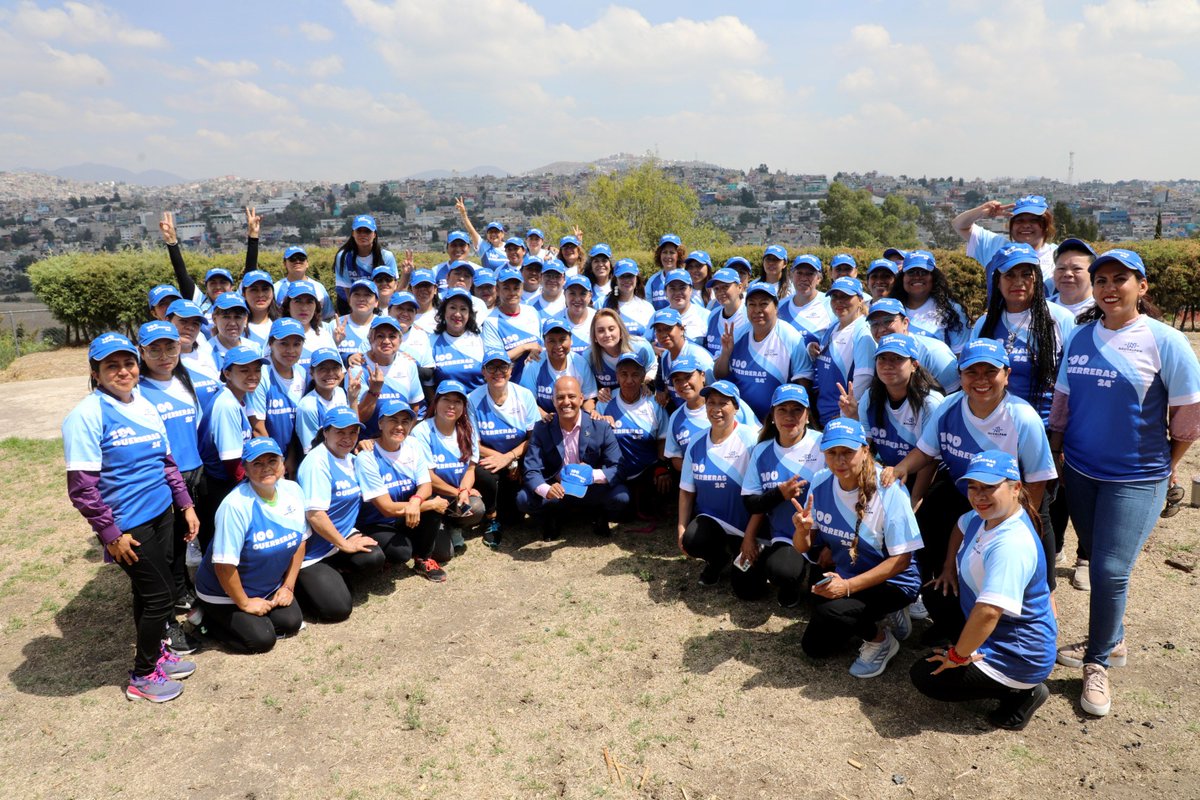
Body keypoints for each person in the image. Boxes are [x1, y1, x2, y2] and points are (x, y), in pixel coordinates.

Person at [1049, 248, 1200, 718]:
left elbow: (1188, 421)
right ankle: (1111, 642)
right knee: (1098, 561)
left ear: (1142, 286)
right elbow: (1062, 406)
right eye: (1102, 280)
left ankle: (1096, 663)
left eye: (1121, 279)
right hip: (1079, 472)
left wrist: (1164, 466)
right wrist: (1055, 458)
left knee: (1111, 570)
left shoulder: (1166, 340)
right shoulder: (1078, 338)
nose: (1110, 288)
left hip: (1136, 479)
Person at [883, 339, 1058, 644]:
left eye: (989, 372)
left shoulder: (1022, 416)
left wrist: (1018, 521)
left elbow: (1038, 479)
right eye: (971, 372)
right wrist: (900, 469)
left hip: (1015, 504)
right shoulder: (950, 405)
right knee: (929, 535)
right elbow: (926, 451)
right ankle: (946, 615)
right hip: (962, 492)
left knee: (1020, 569)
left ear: (1006, 373)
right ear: (960, 375)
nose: (980, 380)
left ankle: (1034, 632)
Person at [63, 332, 200, 702]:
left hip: (162, 513)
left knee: (148, 591)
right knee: (161, 595)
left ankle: (156, 654)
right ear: (96, 372)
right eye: (111, 365)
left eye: (128, 363)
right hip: (128, 525)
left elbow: (166, 462)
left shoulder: (143, 403)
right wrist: (110, 534)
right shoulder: (87, 415)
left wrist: (185, 505)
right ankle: (142, 675)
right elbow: (82, 489)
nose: (123, 371)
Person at [910, 450, 1056, 731]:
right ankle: (965, 643)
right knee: (936, 593)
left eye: (990, 487)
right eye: (973, 487)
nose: (979, 495)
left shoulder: (1011, 544)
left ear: (1016, 488)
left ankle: (1022, 694)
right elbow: (960, 526)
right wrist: (949, 568)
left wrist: (958, 656)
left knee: (924, 676)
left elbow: (989, 612)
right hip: (993, 628)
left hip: (1016, 654)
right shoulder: (984, 516)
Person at [791, 418, 923, 678]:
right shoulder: (819, 482)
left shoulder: (889, 491)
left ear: (865, 450)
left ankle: (881, 640)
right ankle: (873, 614)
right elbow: (803, 548)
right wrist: (802, 531)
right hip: (849, 572)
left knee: (831, 609)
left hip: (896, 581)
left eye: (847, 452)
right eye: (832, 453)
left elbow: (902, 560)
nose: (840, 460)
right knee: (814, 647)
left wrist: (848, 587)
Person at [194, 437, 306, 653]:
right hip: (223, 594)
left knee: (291, 622)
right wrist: (245, 603)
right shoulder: (234, 507)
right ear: (245, 469)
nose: (266, 468)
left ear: (282, 464)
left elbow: (300, 542)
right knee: (261, 641)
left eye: (272, 461)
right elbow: (223, 566)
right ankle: (205, 621)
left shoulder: (293, 491)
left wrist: (287, 586)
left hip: (266, 587)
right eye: (257, 463)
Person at [137, 320, 204, 621]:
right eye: (155, 349)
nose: (164, 355)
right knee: (170, 544)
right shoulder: (137, 388)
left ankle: (186, 588)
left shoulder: (183, 378)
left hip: (195, 471)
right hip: (166, 476)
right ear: (142, 351)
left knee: (188, 536)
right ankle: (174, 594)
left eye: (171, 347)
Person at [296, 406, 385, 622]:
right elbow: (315, 515)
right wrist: (345, 545)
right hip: (312, 551)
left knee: (375, 556)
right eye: (340, 432)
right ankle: (301, 584)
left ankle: (338, 570)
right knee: (337, 610)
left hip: (339, 536)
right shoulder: (317, 463)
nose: (348, 438)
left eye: (353, 432)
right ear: (325, 432)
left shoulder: (351, 458)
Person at [738, 384, 823, 607]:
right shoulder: (762, 450)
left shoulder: (823, 444)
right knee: (745, 586)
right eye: (782, 410)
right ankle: (789, 578)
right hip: (785, 535)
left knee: (819, 602)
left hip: (824, 535)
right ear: (773, 416)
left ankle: (808, 568)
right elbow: (751, 503)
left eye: (797, 410)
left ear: (807, 416)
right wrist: (779, 494)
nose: (789, 416)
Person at [974, 243, 1075, 423]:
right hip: (992, 426)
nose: (1018, 282)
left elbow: (1071, 384)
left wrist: (1058, 436)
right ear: (997, 281)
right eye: (1009, 275)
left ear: (1037, 278)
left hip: (1045, 429)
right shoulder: (984, 324)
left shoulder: (1061, 319)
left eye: (1026, 274)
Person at [518, 376, 629, 539]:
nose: (566, 402)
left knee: (621, 496)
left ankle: (598, 513)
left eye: (571, 396)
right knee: (523, 499)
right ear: (553, 401)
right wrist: (547, 490)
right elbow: (531, 470)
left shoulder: (600, 426)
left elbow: (618, 468)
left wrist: (591, 475)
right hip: (557, 489)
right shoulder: (542, 428)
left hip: (591, 488)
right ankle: (552, 516)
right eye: (560, 397)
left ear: (582, 398)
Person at [354, 398, 451, 580]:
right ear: (380, 423)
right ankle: (389, 553)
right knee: (402, 552)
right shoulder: (367, 456)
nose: (400, 426)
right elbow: (387, 508)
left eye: (405, 422)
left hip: (405, 515)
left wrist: (416, 501)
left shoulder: (412, 445)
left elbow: (426, 486)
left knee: (444, 546)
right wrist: (425, 506)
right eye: (393, 420)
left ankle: (423, 559)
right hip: (376, 522)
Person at [677, 381, 762, 587]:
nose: (716, 409)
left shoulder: (752, 439)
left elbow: (762, 497)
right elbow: (686, 491)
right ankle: (717, 559)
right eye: (711, 403)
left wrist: (750, 538)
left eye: (723, 403)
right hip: (713, 525)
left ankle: (749, 555)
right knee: (691, 540)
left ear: (736, 407)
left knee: (746, 589)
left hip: (747, 529)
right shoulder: (696, 442)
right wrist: (681, 529)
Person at [857, 333, 946, 499]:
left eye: (897, 358)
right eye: (882, 358)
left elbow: (930, 459)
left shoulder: (930, 403)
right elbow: (864, 448)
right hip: (888, 473)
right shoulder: (869, 398)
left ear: (914, 365)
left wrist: (914, 502)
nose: (888, 365)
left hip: (927, 477)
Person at [197, 345, 264, 553]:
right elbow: (232, 465)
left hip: (224, 482)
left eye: (257, 370)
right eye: (244, 370)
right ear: (227, 373)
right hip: (219, 485)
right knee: (221, 546)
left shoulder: (238, 397)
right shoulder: (227, 404)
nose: (253, 375)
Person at [469, 350, 540, 546]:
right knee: (483, 472)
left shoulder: (524, 395)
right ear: (483, 372)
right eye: (492, 367)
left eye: (503, 366)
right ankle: (491, 519)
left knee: (514, 517)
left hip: (519, 457)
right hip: (492, 460)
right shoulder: (472, 399)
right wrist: (505, 460)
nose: (497, 372)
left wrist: (511, 457)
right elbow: (474, 444)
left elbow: (533, 438)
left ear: (510, 370)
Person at [714, 282, 813, 421]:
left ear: (776, 307)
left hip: (778, 422)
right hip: (742, 421)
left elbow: (804, 382)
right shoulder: (737, 334)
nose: (757, 310)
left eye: (764, 304)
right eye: (752, 304)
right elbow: (719, 375)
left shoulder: (791, 337)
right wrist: (725, 353)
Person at [409, 380, 486, 554]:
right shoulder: (421, 431)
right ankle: (431, 525)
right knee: (445, 554)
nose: (451, 406)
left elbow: (471, 469)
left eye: (457, 402)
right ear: (436, 402)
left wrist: (465, 491)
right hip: (429, 499)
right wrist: (458, 493)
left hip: (454, 495)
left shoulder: (468, 430)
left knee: (477, 508)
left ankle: (452, 524)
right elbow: (427, 477)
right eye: (446, 400)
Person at [595, 350, 670, 518]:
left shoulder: (653, 403)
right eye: (624, 374)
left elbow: (662, 440)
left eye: (635, 375)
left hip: (646, 470)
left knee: (657, 496)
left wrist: (661, 466)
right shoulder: (604, 402)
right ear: (617, 375)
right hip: (615, 471)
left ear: (643, 376)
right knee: (623, 511)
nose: (629, 380)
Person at [662, 357, 760, 470]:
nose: (684, 384)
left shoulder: (731, 403)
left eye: (688, 377)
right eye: (677, 380)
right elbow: (675, 457)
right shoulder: (675, 417)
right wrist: (700, 475)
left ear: (702, 376)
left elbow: (757, 435)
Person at [160, 207, 258, 319]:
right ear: (206, 287)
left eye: (223, 282)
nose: (218, 286)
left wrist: (253, 237)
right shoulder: (199, 302)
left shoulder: (239, 299)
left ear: (232, 287)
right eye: (213, 283)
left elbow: (250, 273)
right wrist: (172, 243)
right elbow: (181, 273)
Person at [953, 195, 1056, 289]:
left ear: (1047, 225)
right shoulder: (997, 246)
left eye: (1034, 220)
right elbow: (959, 225)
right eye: (1019, 221)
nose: (1026, 225)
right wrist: (981, 211)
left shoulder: (1058, 254)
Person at [810, 277, 874, 427]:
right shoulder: (833, 327)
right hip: (824, 414)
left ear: (860, 300)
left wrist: (845, 415)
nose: (839, 301)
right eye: (835, 297)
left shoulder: (863, 331)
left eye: (846, 296)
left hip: (842, 417)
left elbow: (864, 378)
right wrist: (811, 350)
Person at [247, 318, 309, 470]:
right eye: (283, 343)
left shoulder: (302, 373)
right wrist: (275, 463)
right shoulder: (261, 375)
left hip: (294, 458)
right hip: (266, 461)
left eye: (296, 344)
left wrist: (292, 458)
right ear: (270, 344)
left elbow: (298, 425)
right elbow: (258, 428)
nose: (291, 350)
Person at [864, 298, 959, 393]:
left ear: (905, 323)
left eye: (888, 321)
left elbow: (954, 397)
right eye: (874, 324)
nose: (881, 329)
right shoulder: (875, 350)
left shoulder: (934, 352)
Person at [353, 316, 425, 437]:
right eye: (380, 336)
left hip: (397, 442)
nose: (386, 341)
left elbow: (415, 407)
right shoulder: (358, 369)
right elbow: (358, 418)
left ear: (400, 340)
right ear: (370, 339)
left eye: (392, 336)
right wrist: (374, 391)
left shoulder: (409, 365)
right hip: (367, 443)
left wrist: (402, 438)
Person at [889, 251, 970, 354]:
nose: (917, 277)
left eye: (924, 272)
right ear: (902, 278)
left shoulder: (952, 310)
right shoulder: (892, 308)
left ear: (934, 277)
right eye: (911, 272)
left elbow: (960, 354)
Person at [520, 318, 598, 414]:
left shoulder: (580, 363)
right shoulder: (533, 364)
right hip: (543, 422)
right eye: (552, 341)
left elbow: (588, 398)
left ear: (571, 340)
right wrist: (545, 417)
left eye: (562, 339)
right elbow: (527, 401)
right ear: (544, 342)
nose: (558, 346)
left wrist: (590, 412)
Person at [481, 267, 543, 383]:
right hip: (511, 385)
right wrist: (525, 347)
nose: (512, 293)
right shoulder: (491, 321)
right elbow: (495, 360)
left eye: (516, 288)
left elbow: (540, 344)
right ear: (497, 290)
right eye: (506, 288)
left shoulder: (532, 312)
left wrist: (536, 350)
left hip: (538, 382)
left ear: (522, 289)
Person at [652, 308, 715, 412]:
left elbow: (714, 391)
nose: (663, 334)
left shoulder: (699, 357)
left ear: (681, 329)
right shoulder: (665, 356)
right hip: (682, 415)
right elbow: (664, 383)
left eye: (668, 328)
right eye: (659, 330)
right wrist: (661, 391)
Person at [333, 214, 398, 314]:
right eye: (359, 231)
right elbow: (347, 288)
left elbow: (393, 286)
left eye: (367, 231)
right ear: (353, 234)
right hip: (349, 305)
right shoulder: (343, 257)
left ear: (374, 234)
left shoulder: (386, 256)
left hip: (378, 305)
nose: (363, 235)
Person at [296, 347, 355, 454]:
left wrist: (353, 399)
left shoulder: (341, 393)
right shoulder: (308, 406)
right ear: (312, 373)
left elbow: (353, 430)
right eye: (323, 369)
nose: (330, 373)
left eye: (335, 368)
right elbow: (311, 452)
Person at [589, 308, 657, 397]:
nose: (607, 334)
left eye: (611, 329)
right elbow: (588, 387)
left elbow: (652, 367)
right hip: (610, 402)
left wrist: (646, 382)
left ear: (621, 331)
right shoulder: (589, 356)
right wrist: (599, 391)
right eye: (601, 331)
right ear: (594, 336)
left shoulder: (641, 347)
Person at [430, 287, 486, 391]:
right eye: (452, 307)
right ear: (444, 311)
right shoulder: (431, 341)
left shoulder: (481, 338)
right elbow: (428, 384)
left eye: (463, 309)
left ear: (469, 314)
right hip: (447, 405)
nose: (457, 314)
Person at [280, 280, 337, 369]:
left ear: (316, 306)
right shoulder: (277, 336)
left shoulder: (324, 336)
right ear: (288, 306)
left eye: (309, 302)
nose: (304, 308)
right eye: (298, 301)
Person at [778, 255, 833, 345]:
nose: (803, 278)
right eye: (799, 273)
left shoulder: (830, 304)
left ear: (819, 279)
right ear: (791, 276)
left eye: (810, 274)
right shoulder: (780, 305)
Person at [275, 246, 335, 321]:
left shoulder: (319, 287)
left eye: (301, 258)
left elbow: (328, 316)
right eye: (292, 259)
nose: (297, 261)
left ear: (307, 263)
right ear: (285, 264)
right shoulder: (276, 288)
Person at [703, 267, 748, 358]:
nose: (720, 292)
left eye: (725, 287)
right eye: (716, 289)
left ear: (739, 287)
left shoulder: (749, 316)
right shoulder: (713, 314)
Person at [335, 279, 379, 365]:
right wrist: (347, 358)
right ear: (349, 300)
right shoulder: (335, 325)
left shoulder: (384, 325)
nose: (361, 299)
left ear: (376, 302)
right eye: (356, 294)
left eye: (367, 295)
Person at [604, 258, 655, 333]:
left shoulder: (647, 307)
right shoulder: (604, 303)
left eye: (630, 276)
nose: (626, 280)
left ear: (636, 278)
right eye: (622, 276)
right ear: (615, 280)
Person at [1050, 238, 1097, 317]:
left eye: (1077, 269)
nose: (1067, 274)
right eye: (1061, 268)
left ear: (1093, 273)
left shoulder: (1105, 311)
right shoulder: (1040, 309)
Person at [207, 292, 255, 366]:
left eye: (237, 317)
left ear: (245, 319)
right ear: (214, 319)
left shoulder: (254, 348)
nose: (232, 323)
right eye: (226, 317)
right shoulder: (205, 352)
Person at [664, 268, 709, 343]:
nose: (678, 293)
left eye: (682, 288)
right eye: (672, 289)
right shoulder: (657, 316)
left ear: (691, 290)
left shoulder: (706, 316)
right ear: (665, 292)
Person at [240, 269, 279, 350]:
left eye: (265, 289)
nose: (260, 294)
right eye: (254, 290)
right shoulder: (236, 327)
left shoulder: (283, 323)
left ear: (273, 292)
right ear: (244, 294)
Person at [559, 275, 597, 354]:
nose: (577, 299)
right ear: (564, 294)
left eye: (582, 294)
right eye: (572, 293)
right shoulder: (557, 320)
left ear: (590, 296)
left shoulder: (597, 319)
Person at [646, 233, 683, 310]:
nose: (668, 256)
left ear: (678, 255)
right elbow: (647, 309)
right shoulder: (652, 281)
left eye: (672, 252)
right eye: (664, 252)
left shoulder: (686, 278)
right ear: (659, 255)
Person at [408, 269, 440, 333]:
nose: (423, 289)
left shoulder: (443, 316)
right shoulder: (404, 317)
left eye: (427, 285)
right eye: (418, 285)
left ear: (435, 289)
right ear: (411, 289)